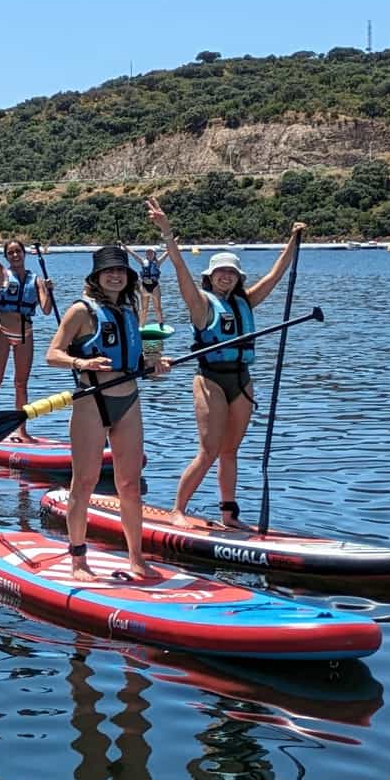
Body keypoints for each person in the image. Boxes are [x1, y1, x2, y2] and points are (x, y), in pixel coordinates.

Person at [148, 200, 305, 527]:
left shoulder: (245, 300)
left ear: (237, 277)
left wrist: (294, 240)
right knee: (209, 450)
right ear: (211, 276)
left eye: (231, 272)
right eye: (221, 271)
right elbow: (180, 270)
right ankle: (178, 509)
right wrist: (167, 233)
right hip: (211, 380)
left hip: (241, 380)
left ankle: (229, 515)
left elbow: (276, 275)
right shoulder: (201, 304)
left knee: (230, 450)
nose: (226, 276)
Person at [46, 246, 172, 578]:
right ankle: (78, 560)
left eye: (121, 271)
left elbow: (135, 359)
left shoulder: (130, 310)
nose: (115, 276)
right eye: (109, 271)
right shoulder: (80, 311)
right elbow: (53, 354)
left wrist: (153, 364)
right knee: (84, 482)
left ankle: (136, 558)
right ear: (97, 277)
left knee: (130, 485)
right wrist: (81, 362)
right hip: (92, 402)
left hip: (129, 401)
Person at [0, 203, 52, 431]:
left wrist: (48, 291)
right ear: (7, 256)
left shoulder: (36, 280)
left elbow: (46, 310)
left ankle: (21, 431)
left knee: (21, 384)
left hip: (25, 335)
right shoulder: (2, 274)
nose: (15, 255)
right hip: (2, 332)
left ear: (24, 254)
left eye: (18, 251)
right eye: (11, 253)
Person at [128, 245, 166, 327]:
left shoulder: (158, 262)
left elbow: (167, 253)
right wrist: (124, 247)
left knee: (158, 308)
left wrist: (173, 243)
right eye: (148, 252)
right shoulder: (143, 261)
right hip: (144, 287)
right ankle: (141, 326)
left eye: (151, 252)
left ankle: (161, 325)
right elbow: (133, 254)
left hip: (155, 287)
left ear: (154, 254)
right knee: (144, 309)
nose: (149, 254)